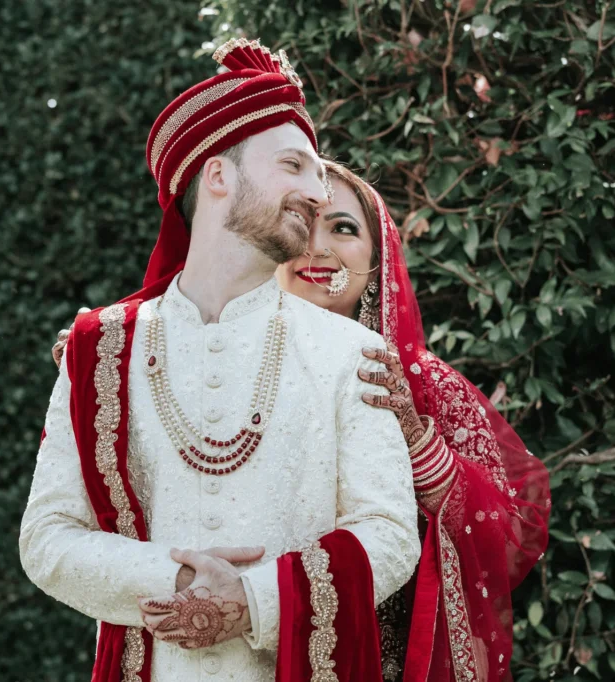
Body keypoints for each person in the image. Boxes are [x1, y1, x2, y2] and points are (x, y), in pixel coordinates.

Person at [22, 39, 420, 682]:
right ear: (217, 176)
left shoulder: (352, 354)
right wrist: (176, 578)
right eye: (294, 165)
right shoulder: (100, 350)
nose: (318, 192)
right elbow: (46, 538)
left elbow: (390, 535)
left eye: (319, 174)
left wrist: (255, 601)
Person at [275, 161, 552, 682]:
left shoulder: (426, 386)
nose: (316, 246)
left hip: (382, 656)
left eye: (342, 227)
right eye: (299, 223)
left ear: (379, 263)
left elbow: (513, 534)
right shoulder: (223, 369)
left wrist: (419, 446)